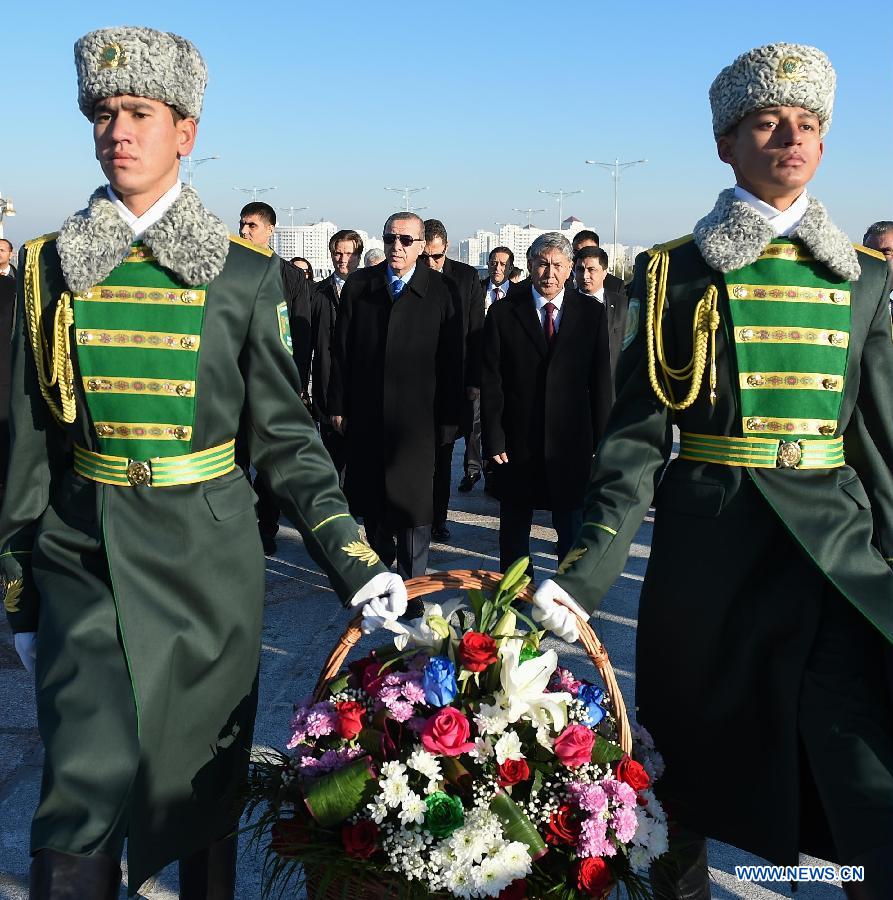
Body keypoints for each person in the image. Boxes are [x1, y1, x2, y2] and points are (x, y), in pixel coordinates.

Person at [0, 27, 407, 900]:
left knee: (205, 789)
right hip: (86, 558)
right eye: (104, 114)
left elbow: (286, 439)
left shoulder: (242, 275)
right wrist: (20, 590)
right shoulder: (47, 269)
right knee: (80, 783)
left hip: (209, 570)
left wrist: (353, 560)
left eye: (139, 112)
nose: (119, 131)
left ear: (184, 131)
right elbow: (29, 442)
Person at [532, 43, 893, 900]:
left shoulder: (866, 278)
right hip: (711, 560)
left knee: (861, 777)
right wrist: (582, 578)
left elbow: (881, 445)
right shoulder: (673, 270)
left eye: (807, 125)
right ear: (726, 143)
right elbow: (631, 444)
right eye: (767, 123)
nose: (790, 139)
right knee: (685, 773)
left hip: (836, 566)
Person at [329, 212, 463, 582]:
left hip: (417, 420)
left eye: (406, 240)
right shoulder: (360, 285)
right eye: (391, 239)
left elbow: (452, 360)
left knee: (414, 506)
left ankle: (412, 583)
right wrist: (338, 404)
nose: (397, 247)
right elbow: (341, 351)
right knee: (370, 497)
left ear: (421, 246)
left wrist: (451, 418)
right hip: (368, 413)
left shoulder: (441, 290)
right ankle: (381, 557)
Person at [481, 231, 612, 576]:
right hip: (517, 440)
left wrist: (604, 440)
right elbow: (492, 382)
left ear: (570, 268)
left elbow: (600, 383)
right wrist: (492, 436)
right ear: (529, 266)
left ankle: (568, 597)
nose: (549, 273)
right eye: (542, 264)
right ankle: (516, 595)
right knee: (514, 527)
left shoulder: (592, 313)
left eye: (557, 265)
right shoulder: (503, 312)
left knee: (571, 524)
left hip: (571, 440)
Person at [238, 201, 312, 554]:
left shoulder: (291, 277)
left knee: (269, 465)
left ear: (270, 230)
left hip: (272, 387)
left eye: (252, 225)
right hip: (233, 386)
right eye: (241, 224)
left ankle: (266, 527)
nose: (244, 231)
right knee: (234, 462)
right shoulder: (226, 270)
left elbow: (301, 335)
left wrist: (295, 384)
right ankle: (238, 525)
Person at [423, 219, 484, 541]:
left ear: (445, 247)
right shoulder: (412, 274)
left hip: (453, 381)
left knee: (444, 455)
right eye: (425, 257)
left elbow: (476, 330)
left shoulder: (466, 277)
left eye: (435, 257)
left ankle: (438, 519)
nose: (430, 264)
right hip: (415, 383)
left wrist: (474, 380)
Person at [310, 229, 364, 479]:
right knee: (331, 459)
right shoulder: (317, 293)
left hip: (361, 387)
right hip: (326, 383)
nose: (342, 259)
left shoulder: (371, 292)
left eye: (349, 254)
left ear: (359, 256)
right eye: (337, 253)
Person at [573, 245, 628, 377]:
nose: (585, 276)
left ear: (604, 272)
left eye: (591, 270)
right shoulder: (564, 303)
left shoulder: (623, 305)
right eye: (580, 270)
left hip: (611, 384)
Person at [571, 229, 626, 296]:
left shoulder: (615, 285)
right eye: (576, 252)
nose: (582, 255)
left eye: (588, 251)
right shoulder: (559, 280)